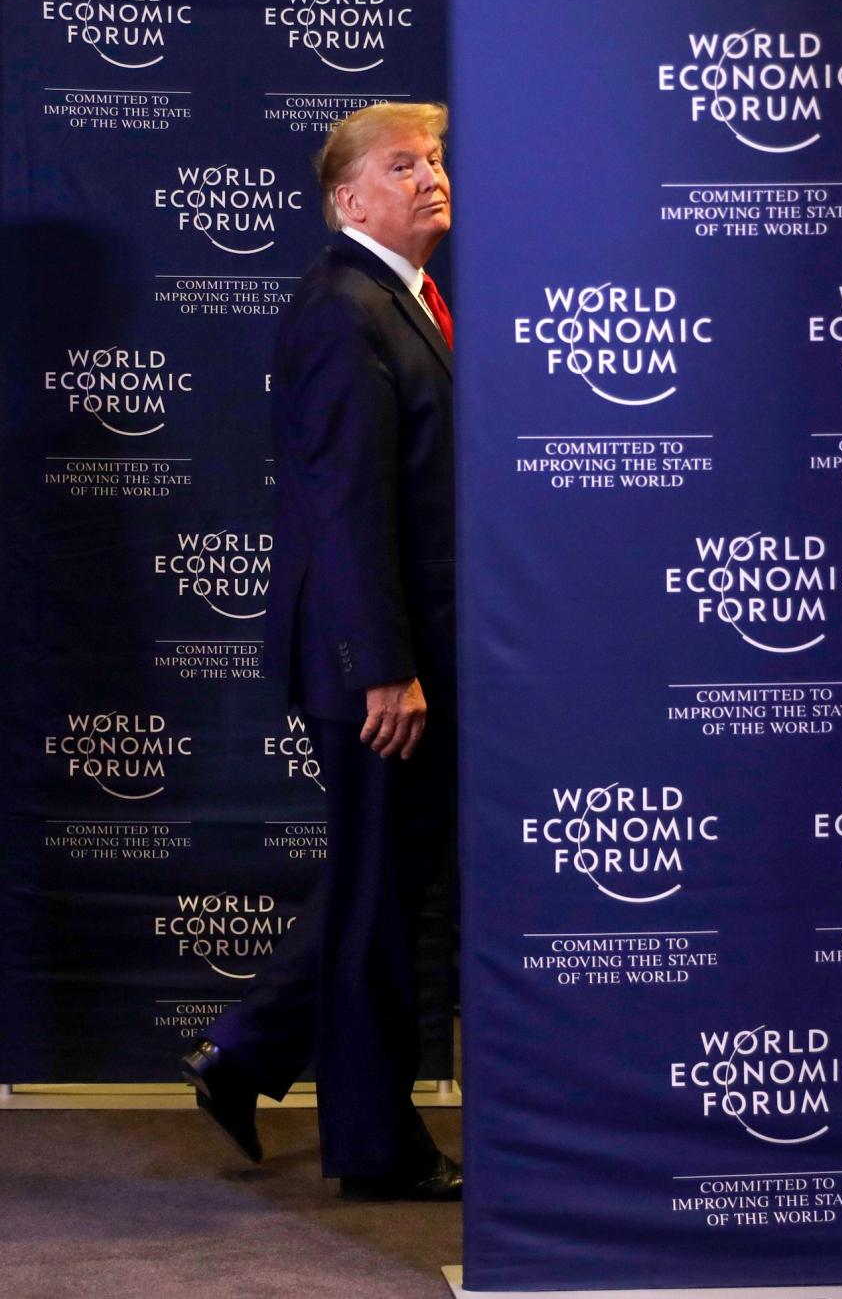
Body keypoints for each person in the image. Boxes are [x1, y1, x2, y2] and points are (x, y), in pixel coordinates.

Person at [181, 102, 459, 1201]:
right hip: (377, 663)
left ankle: (245, 1050)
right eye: (402, 165)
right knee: (380, 905)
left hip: (409, 649)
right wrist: (381, 666)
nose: (430, 177)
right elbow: (343, 508)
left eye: (434, 160)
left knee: (375, 884)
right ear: (350, 200)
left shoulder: (403, 298)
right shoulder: (346, 309)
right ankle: (376, 1150)